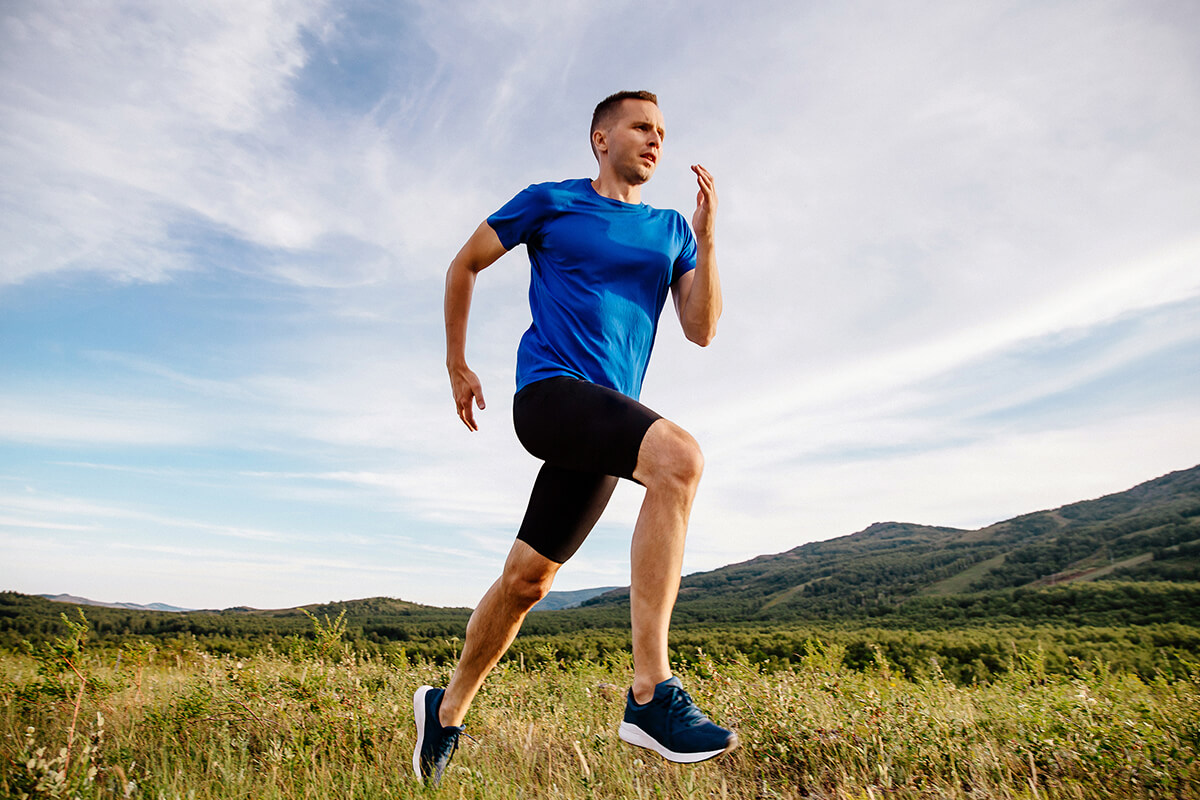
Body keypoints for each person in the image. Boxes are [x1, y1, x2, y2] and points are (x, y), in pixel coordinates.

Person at [414, 90, 736, 785]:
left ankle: (445, 710)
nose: (655, 141)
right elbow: (462, 264)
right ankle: (650, 693)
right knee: (679, 460)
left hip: (605, 418)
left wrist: (708, 242)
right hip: (550, 395)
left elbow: (702, 328)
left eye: (662, 132)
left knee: (527, 582)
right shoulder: (551, 202)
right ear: (601, 137)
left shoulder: (671, 229)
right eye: (641, 127)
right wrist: (456, 362)